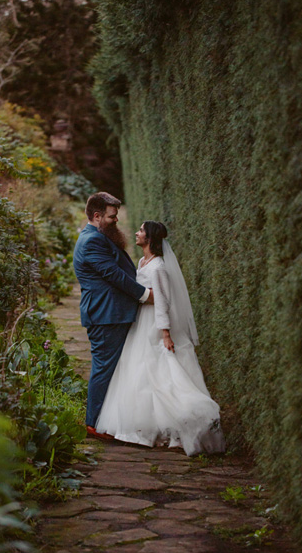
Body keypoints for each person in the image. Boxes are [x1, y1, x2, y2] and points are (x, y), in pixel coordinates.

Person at [95, 221, 226, 456]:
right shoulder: (142, 262)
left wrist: (165, 332)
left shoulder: (159, 267)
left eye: (141, 231)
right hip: (140, 322)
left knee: (159, 372)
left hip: (155, 324)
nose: (136, 233)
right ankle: (140, 429)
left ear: (150, 238)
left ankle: (182, 423)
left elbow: (164, 301)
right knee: (138, 371)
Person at [73, 192, 153, 439]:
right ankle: (95, 424)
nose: (115, 220)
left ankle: (106, 419)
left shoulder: (96, 236)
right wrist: (144, 295)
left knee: (112, 367)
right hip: (106, 314)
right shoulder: (91, 242)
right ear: (96, 216)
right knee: (104, 368)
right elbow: (113, 274)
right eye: (111, 216)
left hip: (110, 313)